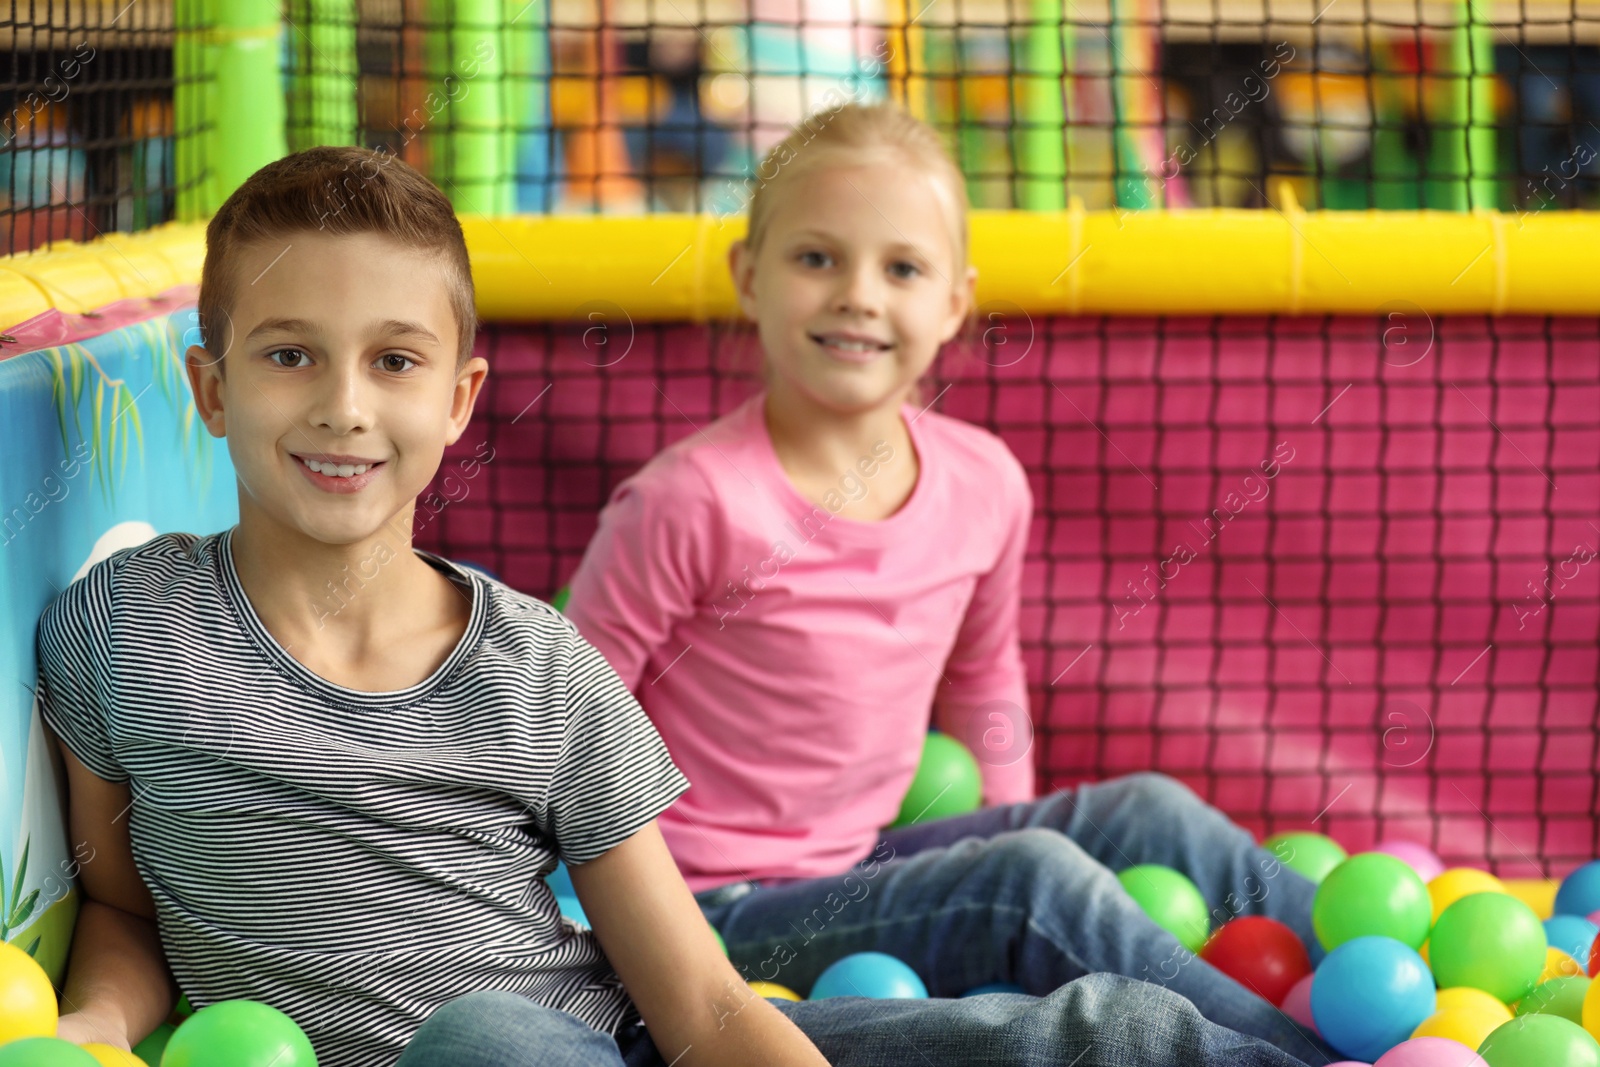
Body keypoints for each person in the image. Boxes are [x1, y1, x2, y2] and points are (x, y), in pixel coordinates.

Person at [32, 144, 1311, 1067]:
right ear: (208, 384)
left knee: (1108, 1030)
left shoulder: (538, 669)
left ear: (461, 398)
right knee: (477, 1045)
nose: (344, 405)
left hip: (600, 1040)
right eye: (289, 353)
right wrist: (92, 1025)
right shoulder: (119, 632)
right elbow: (129, 905)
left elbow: (697, 1006)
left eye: (395, 361)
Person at [562, 101, 1338, 1066]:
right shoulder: (691, 499)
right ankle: (1308, 1057)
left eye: (902, 268)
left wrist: (996, 823)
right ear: (748, 279)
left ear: (955, 303)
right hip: (714, 910)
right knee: (1030, 883)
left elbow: (981, 675)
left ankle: (1383, 966)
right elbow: (560, 715)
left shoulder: (981, 481)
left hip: (868, 852)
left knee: (1145, 808)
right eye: (816, 259)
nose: (858, 294)